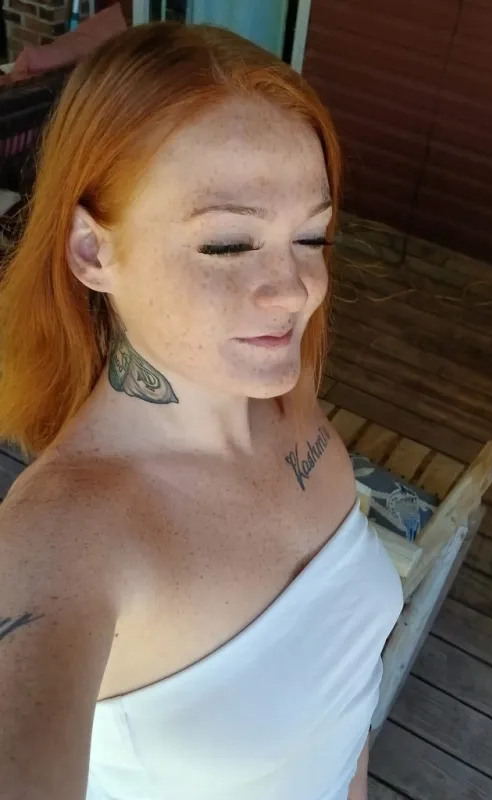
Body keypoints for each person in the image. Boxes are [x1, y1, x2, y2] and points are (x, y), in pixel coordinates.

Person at [0, 22, 404, 800]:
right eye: (227, 245)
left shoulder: (285, 395)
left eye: (312, 236)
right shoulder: (59, 544)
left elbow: (344, 705)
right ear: (92, 251)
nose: (294, 291)